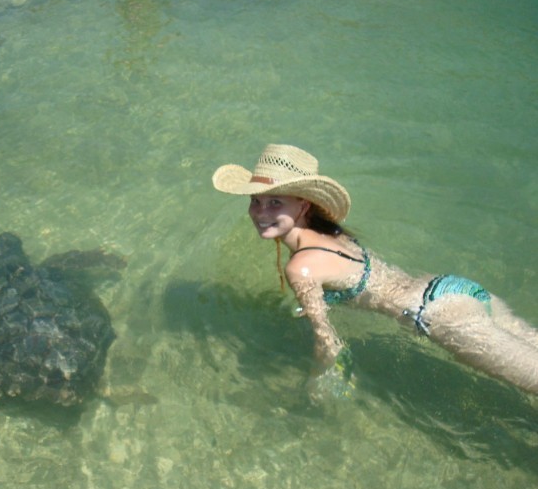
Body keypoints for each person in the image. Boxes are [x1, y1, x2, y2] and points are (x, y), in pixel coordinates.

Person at [212, 144, 538, 399]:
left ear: (303, 205)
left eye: (274, 203)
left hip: (438, 315)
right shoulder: (335, 233)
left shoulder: (301, 266)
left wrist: (320, 385)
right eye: (255, 201)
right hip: (450, 288)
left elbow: (327, 340)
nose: (259, 212)